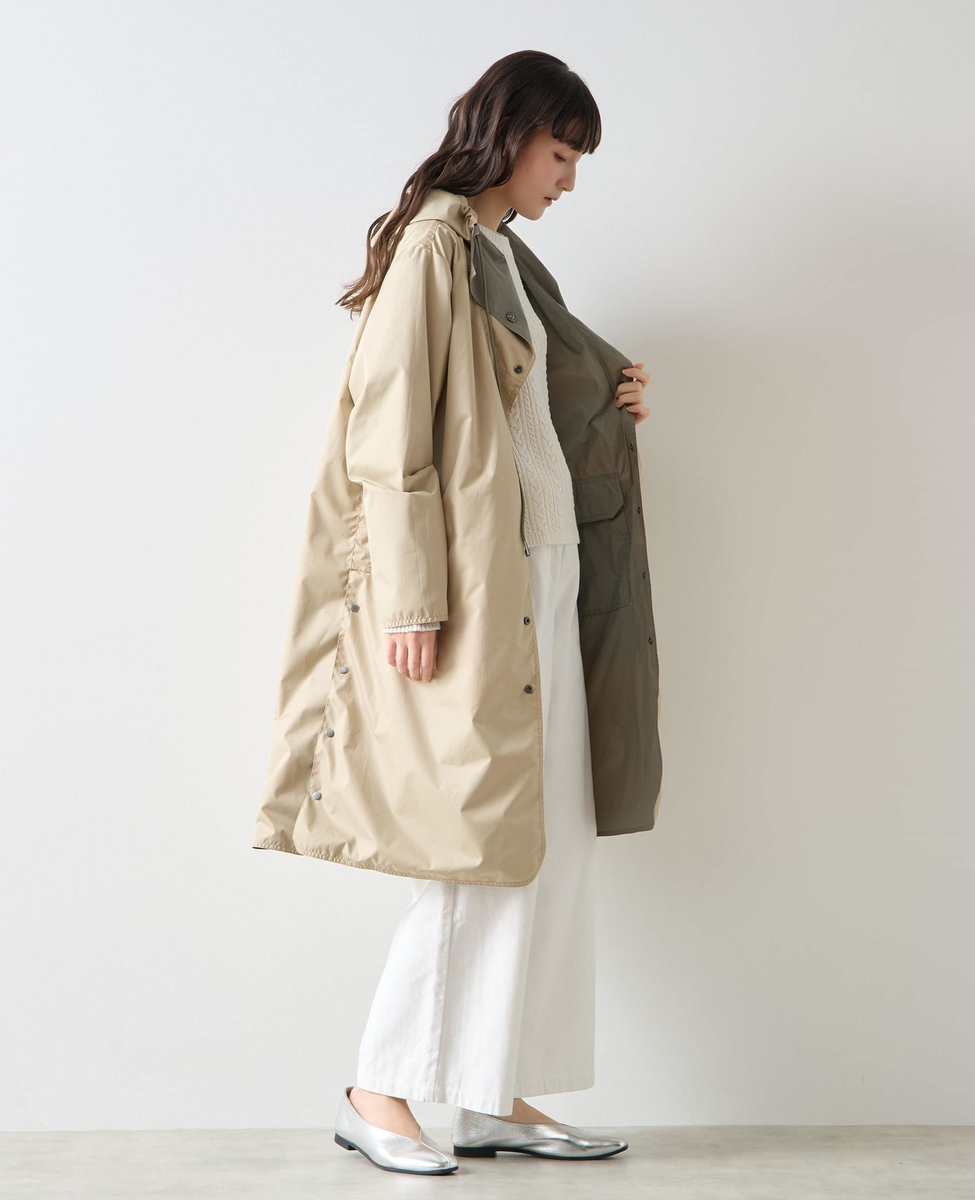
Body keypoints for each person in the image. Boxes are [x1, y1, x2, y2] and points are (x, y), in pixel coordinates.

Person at [253, 50, 660, 1176]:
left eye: (576, 161)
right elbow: (390, 438)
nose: (568, 179)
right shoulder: (435, 245)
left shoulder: (503, 254)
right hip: (480, 588)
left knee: (546, 839)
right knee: (479, 838)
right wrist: (414, 599)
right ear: (513, 134)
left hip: (549, 569)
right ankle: (376, 1087)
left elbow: (532, 407)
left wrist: (615, 397)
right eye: (560, 153)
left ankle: (487, 1090)